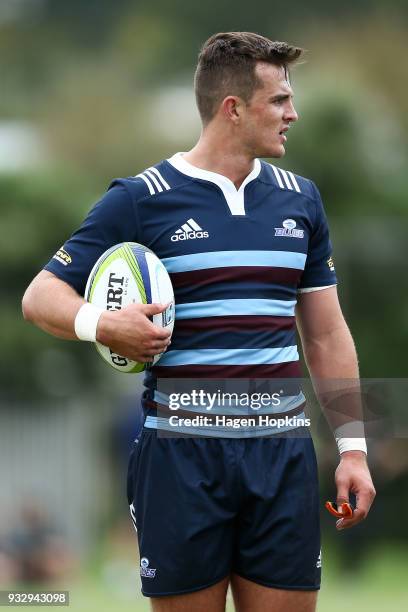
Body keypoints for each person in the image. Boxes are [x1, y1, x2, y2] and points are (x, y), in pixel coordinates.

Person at [22, 31, 375, 612]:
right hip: (181, 458)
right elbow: (41, 295)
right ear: (233, 109)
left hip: (280, 452)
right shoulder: (141, 198)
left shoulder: (301, 201)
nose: (294, 113)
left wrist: (354, 448)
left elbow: (326, 333)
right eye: (279, 101)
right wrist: (101, 324)